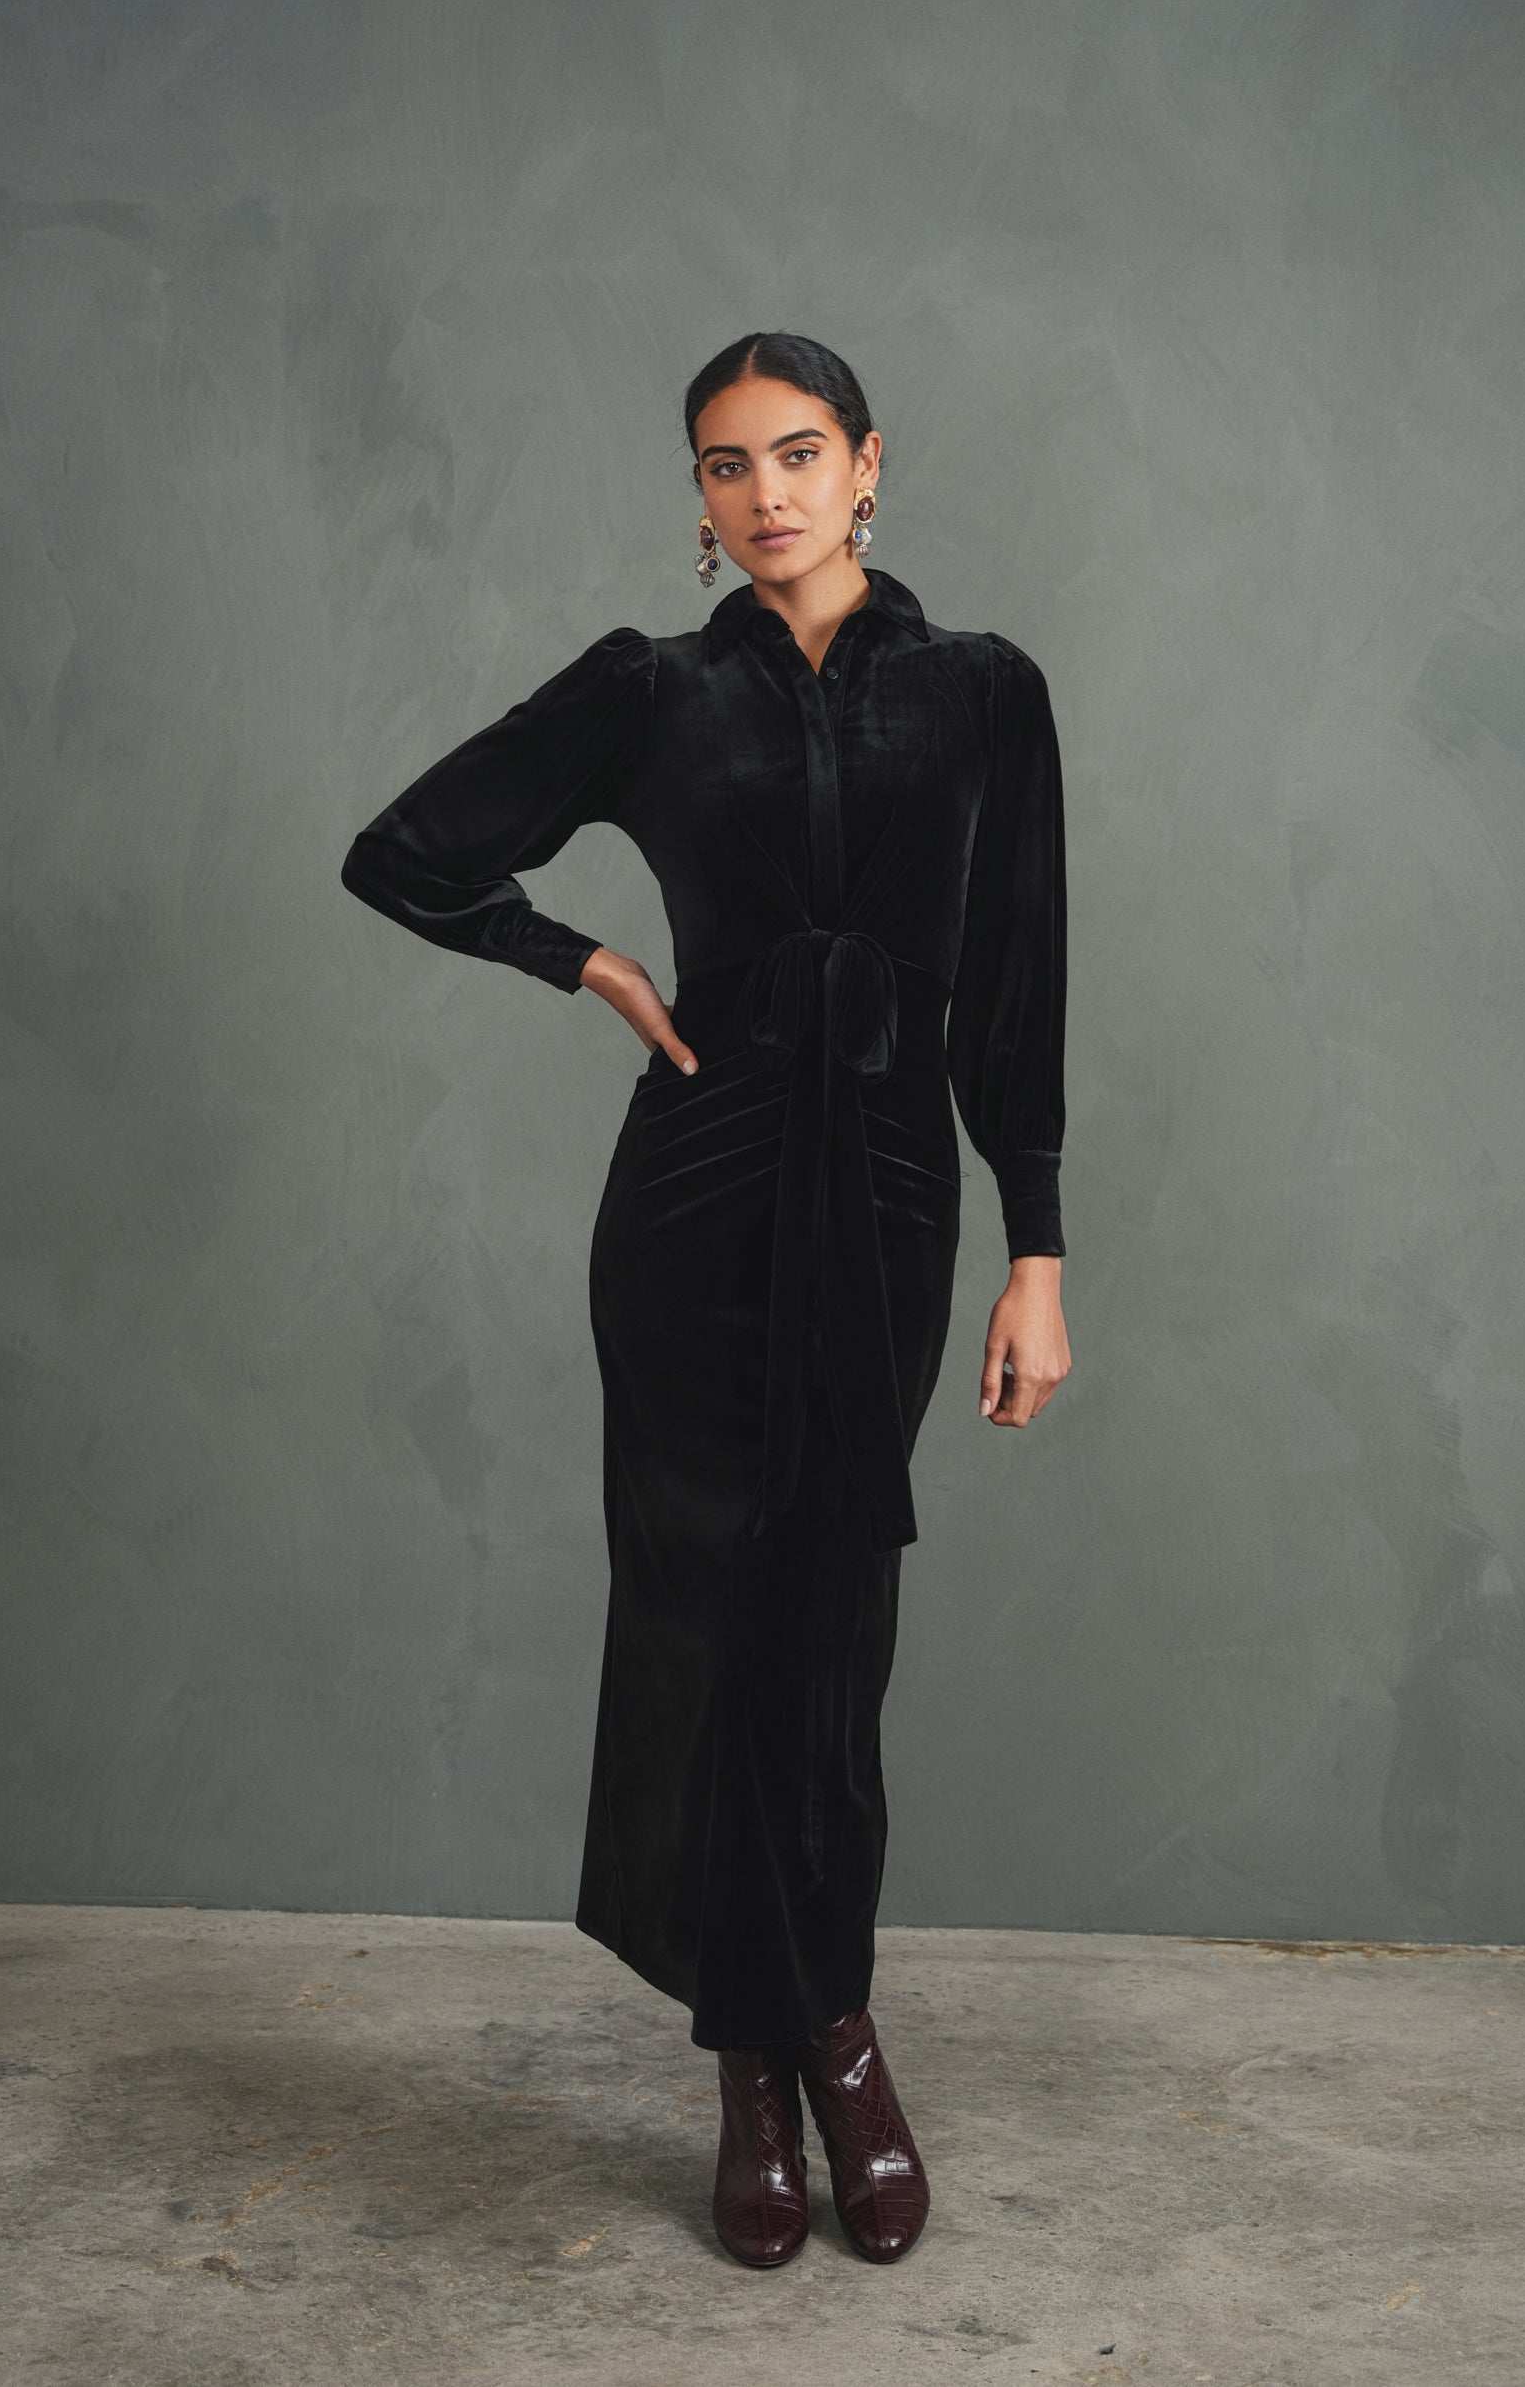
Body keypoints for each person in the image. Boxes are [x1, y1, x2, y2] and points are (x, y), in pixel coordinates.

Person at [340, 330, 1072, 2268]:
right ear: (696, 494)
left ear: (869, 464)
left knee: (831, 1621)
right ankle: (768, 2057)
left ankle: (829, 2024)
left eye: (798, 453)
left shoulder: (985, 691)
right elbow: (403, 854)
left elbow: (1016, 984)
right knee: (707, 1618)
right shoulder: (649, 690)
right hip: (697, 1203)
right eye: (726, 465)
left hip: (891, 1201)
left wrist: (1037, 1251)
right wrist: (577, 958)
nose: (765, 494)